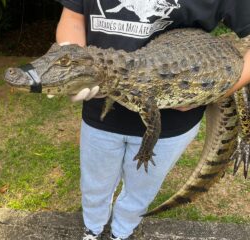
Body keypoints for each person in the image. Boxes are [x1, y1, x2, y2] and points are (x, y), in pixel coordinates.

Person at [56, 0, 250, 239]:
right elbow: (74, 16)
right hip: (100, 110)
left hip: (173, 119)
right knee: (94, 184)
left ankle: (122, 231)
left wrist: (227, 89)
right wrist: (72, 61)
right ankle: (93, 227)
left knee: (141, 189)